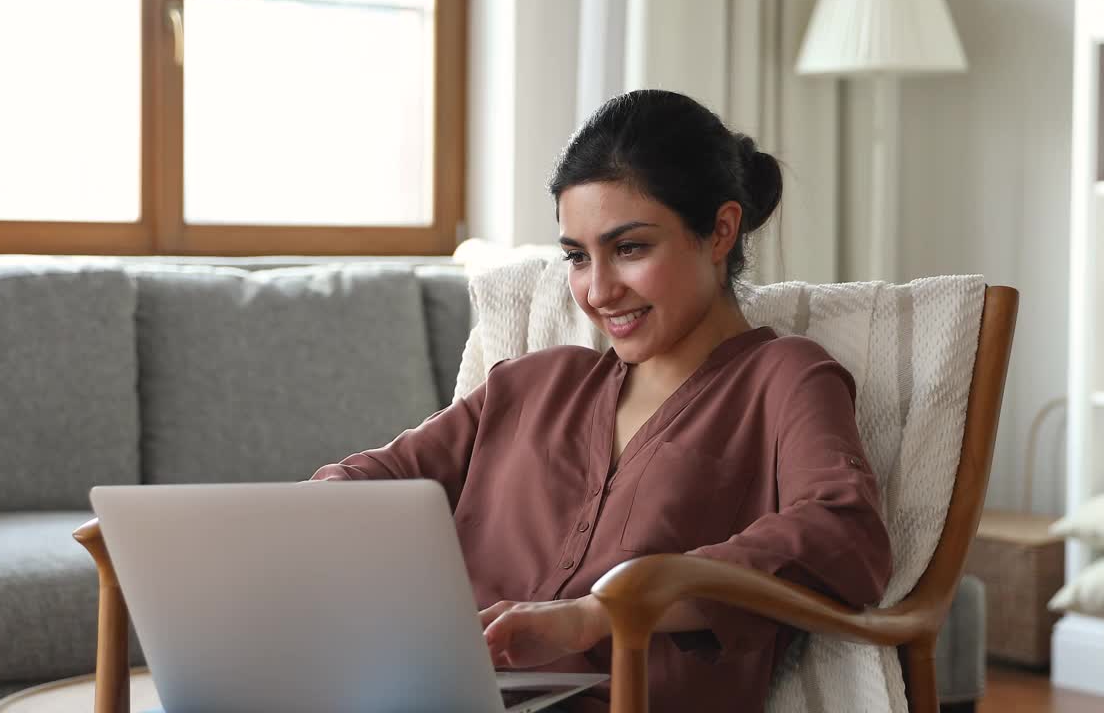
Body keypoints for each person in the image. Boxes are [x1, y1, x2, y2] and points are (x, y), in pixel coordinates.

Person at [311, 89, 892, 712]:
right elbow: (371, 482)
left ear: (721, 230)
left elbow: (844, 532)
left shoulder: (784, 378)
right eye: (576, 257)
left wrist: (598, 613)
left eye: (630, 248)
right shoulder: (530, 385)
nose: (598, 290)